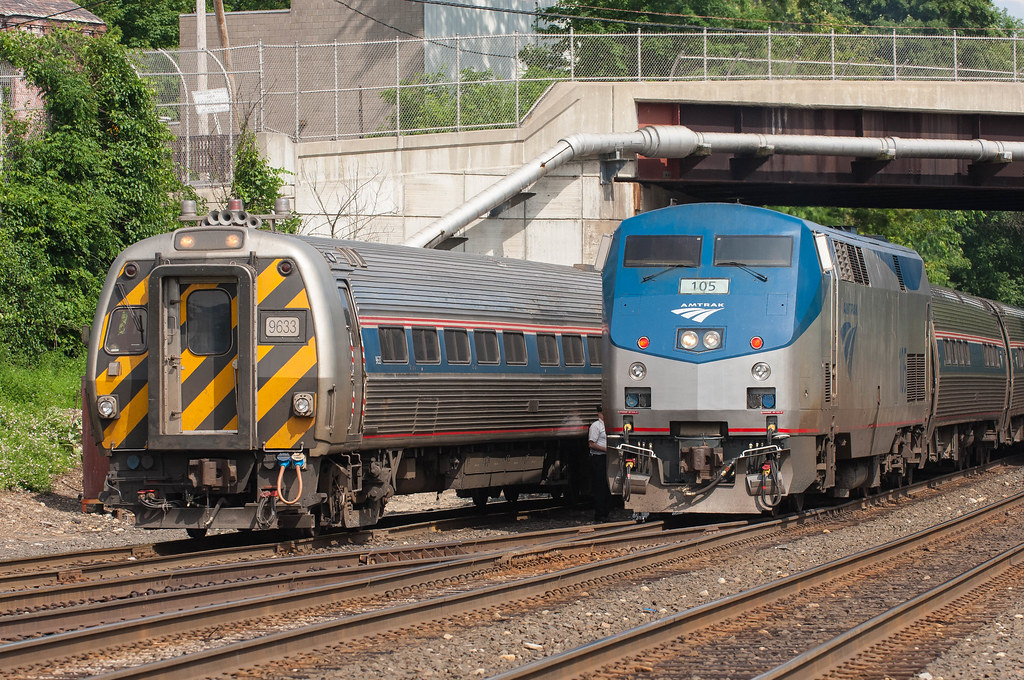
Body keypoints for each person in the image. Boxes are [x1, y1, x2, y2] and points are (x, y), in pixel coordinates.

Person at [588, 405, 611, 521]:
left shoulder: (608, 425)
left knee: (607, 486)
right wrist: (605, 449)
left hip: (607, 458)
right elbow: (591, 444)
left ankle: (605, 512)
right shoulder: (596, 426)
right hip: (598, 458)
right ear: (598, 413)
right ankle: (599, 514)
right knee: (600, 486)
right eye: (602, 412)